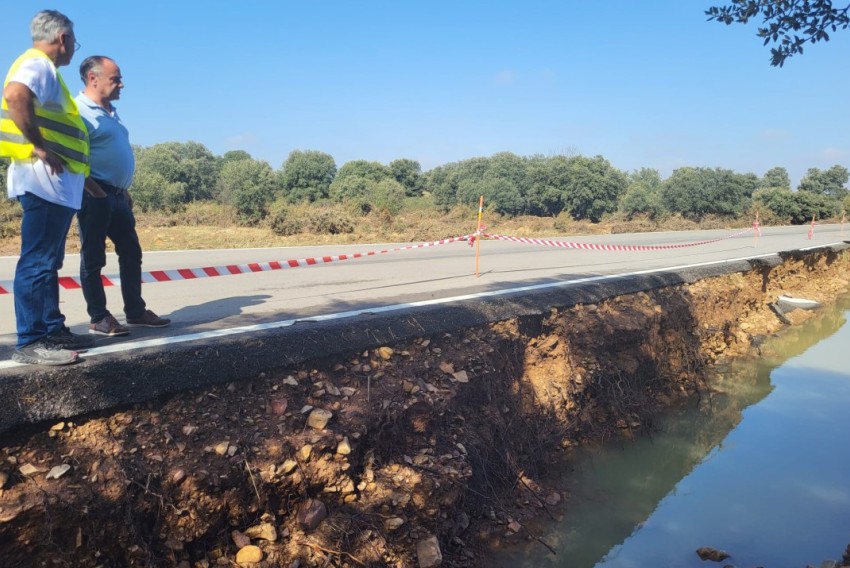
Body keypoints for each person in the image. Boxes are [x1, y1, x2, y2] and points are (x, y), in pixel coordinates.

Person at [1, 10, 95, 365]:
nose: (73, 48)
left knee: (47, 262)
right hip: (42, 184)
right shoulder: (37, 63)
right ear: (63, 39)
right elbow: (14, 95)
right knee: (38, 261)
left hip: (55, 188)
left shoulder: (46, 69)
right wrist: (39, 145)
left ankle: (51, 330)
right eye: (74, 42)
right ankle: (31, 341)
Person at [75, 56, 170, 335]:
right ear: (93, 79)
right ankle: (99, 317)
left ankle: (136, 312)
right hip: (95, 194)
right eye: (115, 78)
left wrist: (123, 190)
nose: (122, 84)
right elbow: (71, 155)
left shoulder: (111, 112)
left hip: (117, 195)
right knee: (93, 258)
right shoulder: (78, 111)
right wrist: (94, 190)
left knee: (131, 253)